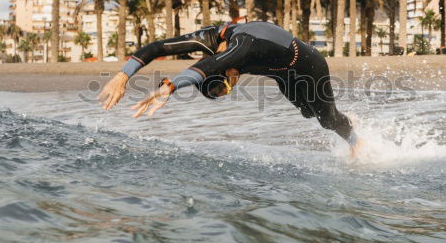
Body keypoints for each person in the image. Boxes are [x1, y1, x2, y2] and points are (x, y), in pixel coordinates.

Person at [98, 19, 359, 151]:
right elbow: (159, 47)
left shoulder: (241, 47)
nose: (235, 82)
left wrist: (169, 87)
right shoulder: (213, 39)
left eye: (228, 86)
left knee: (327, 120)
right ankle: (345, 127)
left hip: (310, 67)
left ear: (225, 72)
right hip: (283, 75)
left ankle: (357, 142)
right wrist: (123, 76)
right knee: (306, 112)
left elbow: (206, 68)